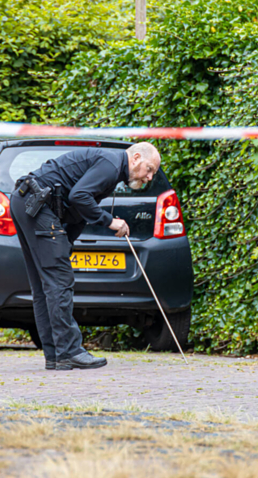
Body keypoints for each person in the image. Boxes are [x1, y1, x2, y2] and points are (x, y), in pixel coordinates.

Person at [10, 142, 161, 371]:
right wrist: (111, 221)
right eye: (149, 169)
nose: (149, 177)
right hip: (35, 203)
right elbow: (80, 196)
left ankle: (56, 355)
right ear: (136, 157)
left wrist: (65, 242)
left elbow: (77, 210)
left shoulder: (111, 168)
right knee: (59, 280)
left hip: (27, 201)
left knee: (46, 285)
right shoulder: (111, 165)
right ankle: (69, 351)